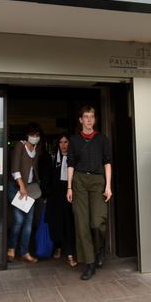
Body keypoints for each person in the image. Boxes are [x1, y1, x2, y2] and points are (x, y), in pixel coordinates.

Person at [66, 106, 112, 280]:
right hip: (79, 181)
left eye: (92, 117)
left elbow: (107, 163)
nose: (89, 120)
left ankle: (99, 248)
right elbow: (70, 164)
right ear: (81, 120)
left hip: (98, 180)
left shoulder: (102, 139)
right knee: (81, 223)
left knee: (97, 222)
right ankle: (90, 263)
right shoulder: (74, 140)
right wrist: (69, 187)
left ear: (95, 119)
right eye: (86, 117)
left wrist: (108, 186)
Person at [8, 122, 44, 264]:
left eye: (37, 135)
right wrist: (21, 185)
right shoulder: (19, 146)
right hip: (16, 187)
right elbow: (15, 168)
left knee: (28, 222)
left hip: (30, 189)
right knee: (19, 220)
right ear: (27, 135)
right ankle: (11, 248)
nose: (35, 137)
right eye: (32, 135)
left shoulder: (37, 149)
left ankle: (24, 252)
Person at [46, 133, 78, 267]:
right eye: (61, 142)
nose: (64, 145)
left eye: (66, 142)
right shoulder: (53, 158)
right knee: (57, 223)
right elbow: (47, 179)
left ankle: (70, 253)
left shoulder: (75, 158)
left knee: (69, 224)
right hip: (55, 198)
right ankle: (58, 246)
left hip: (70, 196)